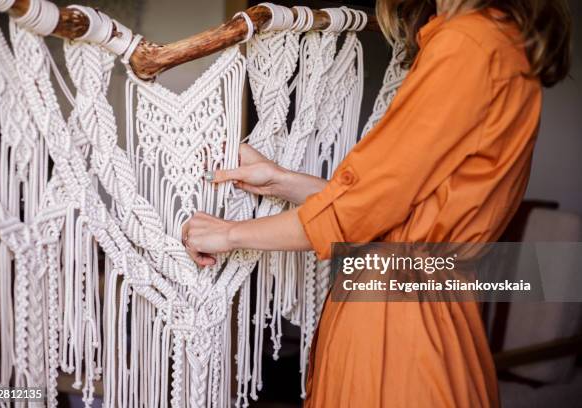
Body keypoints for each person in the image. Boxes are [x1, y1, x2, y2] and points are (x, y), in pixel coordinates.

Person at [181, 0, 571, 406]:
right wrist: (282, 180)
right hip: (434, 314)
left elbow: (361, 212)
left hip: (398, 325)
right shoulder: (499, 42)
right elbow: (397, 202)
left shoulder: (468, 44)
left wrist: (228, 234)